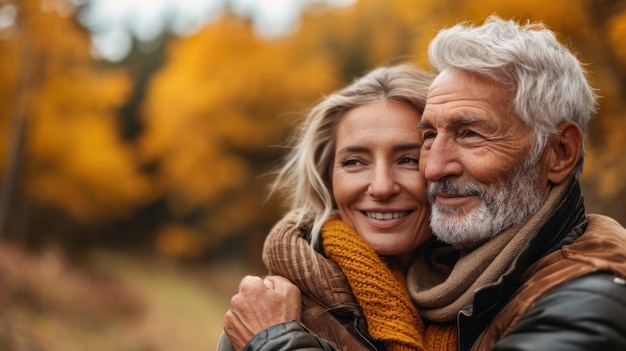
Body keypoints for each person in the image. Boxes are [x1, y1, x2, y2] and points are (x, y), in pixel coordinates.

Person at [223, 15, 626, 351]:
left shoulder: (589, 297)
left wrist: (275, 342)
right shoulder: (459, 283)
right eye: (430, 136)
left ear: (559, 153)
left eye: (470, 134)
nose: (433, 167)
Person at [219, 64, 437, 351]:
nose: (382, 187)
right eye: (355, 162)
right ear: (327, 179)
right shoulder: (270, 313)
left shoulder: (490, 292)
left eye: (408, 159)